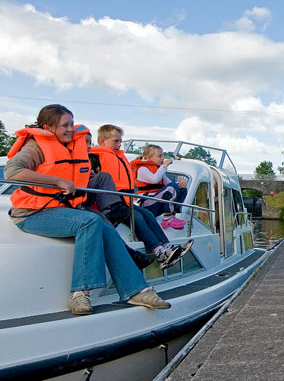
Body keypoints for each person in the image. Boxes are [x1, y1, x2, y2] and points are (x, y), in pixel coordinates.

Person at [4, 104, 170, 315]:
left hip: (58, 208)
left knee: (104, 226)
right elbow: (12, 171)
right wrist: (58, 180)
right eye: (65, 125)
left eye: (72, 124)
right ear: (48, 127)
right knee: (90, 221)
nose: (71, 129)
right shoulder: (35, 147)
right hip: (30, 213)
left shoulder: (70, 146)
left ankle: (137, 291)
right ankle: (80, 294)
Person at [89, 124, 192, 270]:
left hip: (124, 202)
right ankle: (158, 251)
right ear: (102, 141)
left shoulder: (119, 157)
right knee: (137, 218)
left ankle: (167, 246)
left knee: (148, 214)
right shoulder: (96, 157)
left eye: (120, 141)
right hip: (109, 205)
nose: (119, 145)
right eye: (115, 141)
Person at [131, 144, 188, 229]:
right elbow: (155, 179)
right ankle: (167, 218)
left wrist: (182, 182)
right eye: (159, 156)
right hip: (147, 205)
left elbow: (169, 183)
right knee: (172, 187)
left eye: (163, 156)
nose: (162, 158)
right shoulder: (142, 169)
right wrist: (164, 166)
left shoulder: (158, 170)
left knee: (181, 188)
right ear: (148, 158)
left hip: (155, 202)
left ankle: (172, 215)